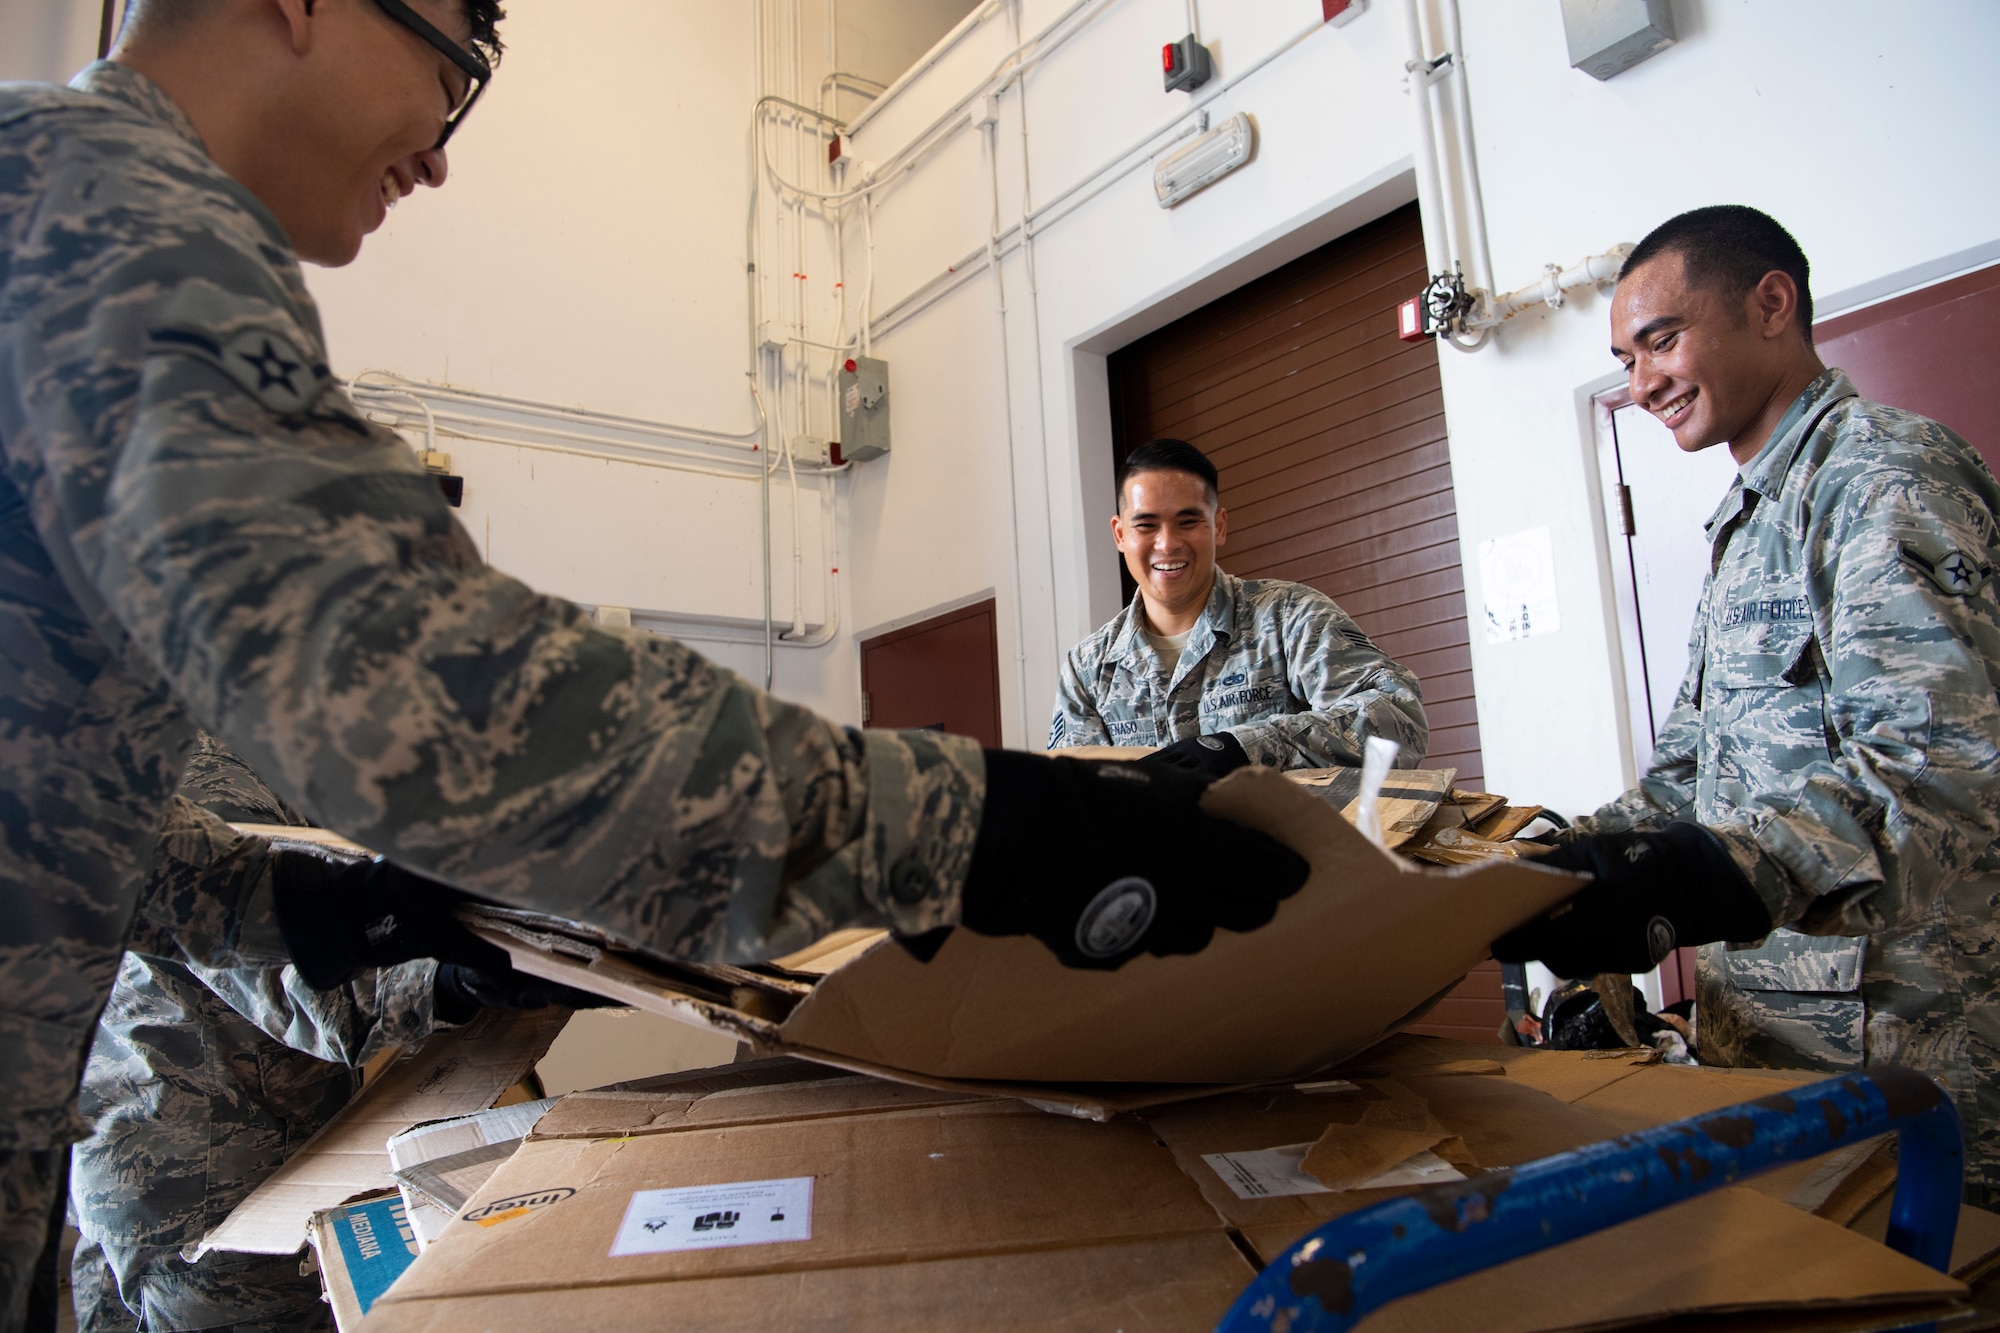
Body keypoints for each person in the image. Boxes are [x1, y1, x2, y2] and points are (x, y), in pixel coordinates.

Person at [0, 1, 1309, 1321]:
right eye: (460, 61)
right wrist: (999, 832)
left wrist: (303, 905)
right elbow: (460, 717)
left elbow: (68, 810)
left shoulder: (59, 197)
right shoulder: (109, 206)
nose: (444, 148)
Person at [1492, 205, 2000, 1203]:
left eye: (1661, 340)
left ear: (1771, 303)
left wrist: (1698, 877)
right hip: (1772, 1050)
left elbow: (1941, 779)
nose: (1639, 384)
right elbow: (1687, 769)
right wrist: (1544, 866)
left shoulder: (1880, 479)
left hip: (1907, 1057)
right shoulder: (1746, 524)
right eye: (1624, 358)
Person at [70, 739, 599, 1332]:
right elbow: (270, 950)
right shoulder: (199, 768)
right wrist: (455, 979)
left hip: (150, 1160)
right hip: (212, 1199)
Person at [1049, 438, 1430, 778]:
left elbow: (1398, 719)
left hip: (1290, 855)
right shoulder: (1089, 670)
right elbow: (1070, 796)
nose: (1167, 544)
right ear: (1120, 534)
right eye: (1146, 525)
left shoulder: (1289, 617)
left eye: (1188, 521)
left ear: (1218, 526)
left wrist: (1244, 748)